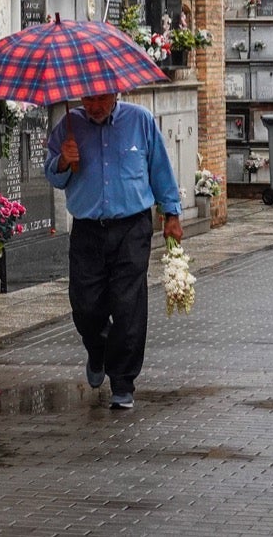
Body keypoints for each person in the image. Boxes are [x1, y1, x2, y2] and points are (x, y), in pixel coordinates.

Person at [44, 92, 181, 410]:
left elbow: (159, 169)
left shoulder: (140, 120)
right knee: (85, 306)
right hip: (88, 228)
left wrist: (171, 213)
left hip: (132, 226)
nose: (93, 106)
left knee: (128, 304)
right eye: (88, 99)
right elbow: (53, 175)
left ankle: (123, 381)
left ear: (116, 93)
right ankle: (98, 348)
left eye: (101, 99)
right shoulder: (69, 124)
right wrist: (64, 159)